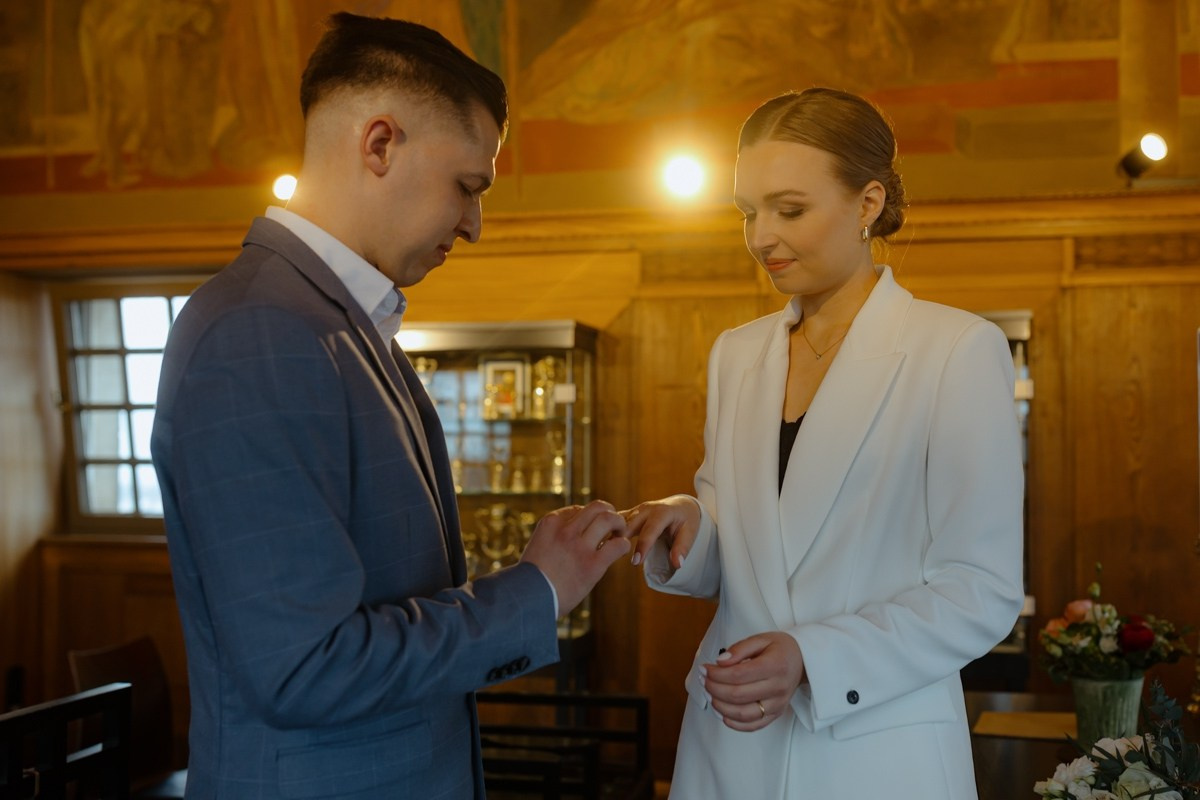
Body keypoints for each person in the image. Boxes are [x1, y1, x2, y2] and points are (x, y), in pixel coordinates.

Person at [150, 13, 629, 799]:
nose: (474, 225)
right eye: (467, 186)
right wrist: (534, 592)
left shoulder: (338, 321)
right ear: (380, 144)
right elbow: (304, 668)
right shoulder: (258, 331)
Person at [623, 87, 1024, 800]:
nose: (761, 237)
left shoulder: (954, 349)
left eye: (790, 209)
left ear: (868, 204)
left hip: (872, 750)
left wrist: (813, 656)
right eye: (748, 212)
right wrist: (690, 526)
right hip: (731, 740)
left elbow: (981, 591)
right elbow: (744, 561)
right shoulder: (736, 354)